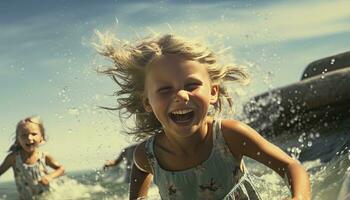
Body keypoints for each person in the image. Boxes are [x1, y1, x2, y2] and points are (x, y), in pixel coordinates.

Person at [95, 32, 311, 200]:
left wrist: (298, 196)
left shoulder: (229, 136)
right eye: (164, 89)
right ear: (147, 102)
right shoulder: (147, 156)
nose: (181, 95)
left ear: (213, 92)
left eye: (191, 85)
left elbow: (291, 167)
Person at [0, 116, 65, 199]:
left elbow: (61, 169)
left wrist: (50, 176)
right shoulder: (13, 158)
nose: (29, 138)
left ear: (41, 137)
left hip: (48, 196)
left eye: (34, 134)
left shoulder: (44, 156)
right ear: (18, 140)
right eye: (24, 135)